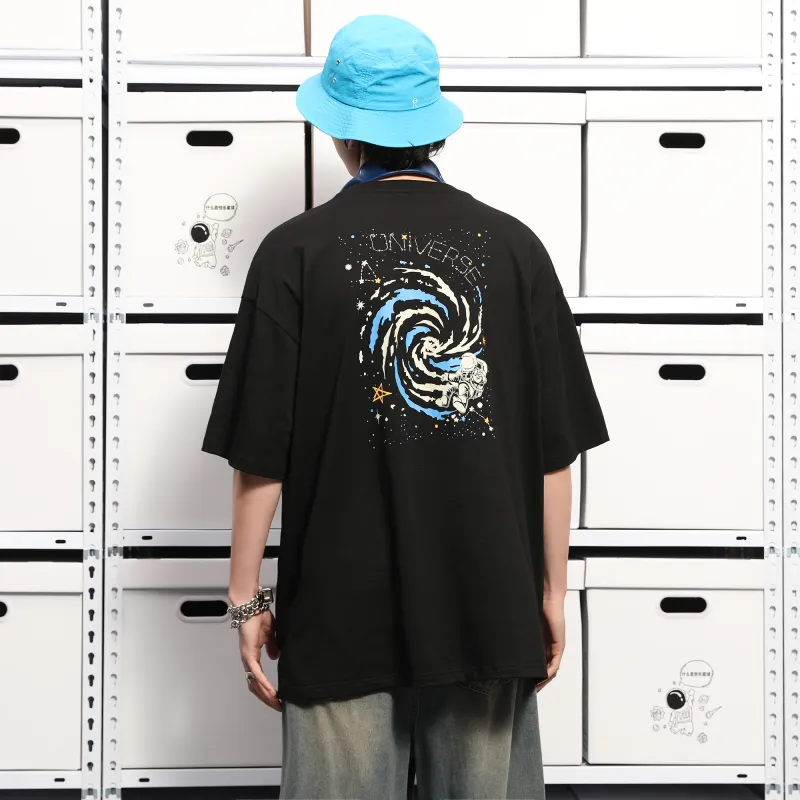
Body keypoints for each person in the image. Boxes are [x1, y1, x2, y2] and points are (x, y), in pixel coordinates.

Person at [202, 14, 608, 800]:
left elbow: (260, 455)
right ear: (433, 128)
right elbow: (554, 453)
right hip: (488, 606)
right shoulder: (515, 249)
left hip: (339, 612)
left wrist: (246, 600)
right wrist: (551, 596)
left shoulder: (293, 253)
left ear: (339, 131)